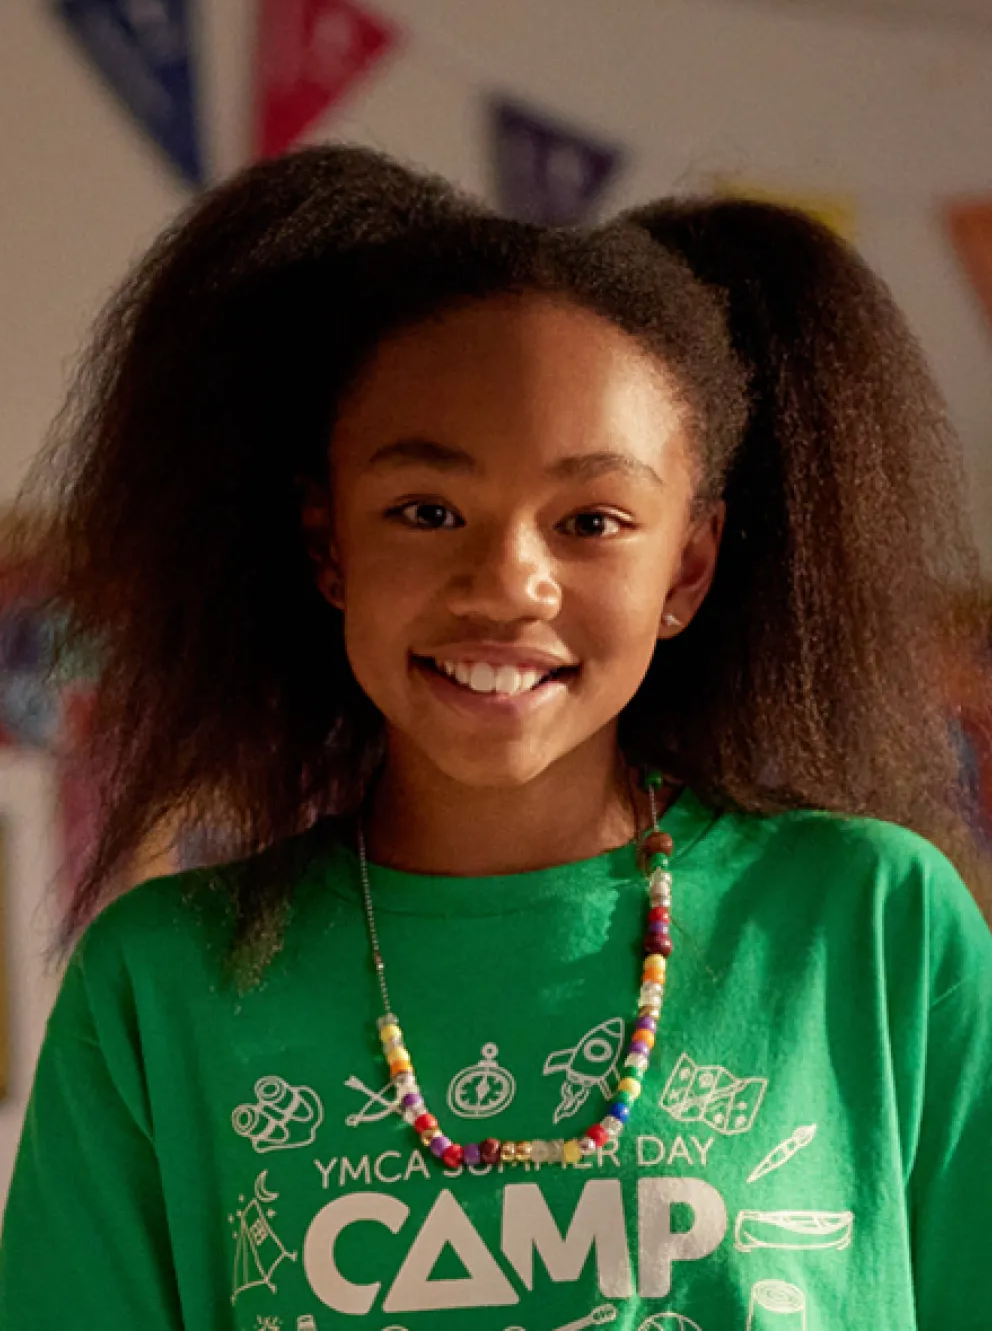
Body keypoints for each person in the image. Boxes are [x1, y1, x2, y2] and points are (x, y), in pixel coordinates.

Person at [0, 145, 989, 1331]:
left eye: (590, 520)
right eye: (426, 510)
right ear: (329, 542)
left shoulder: (868, 926)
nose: (507, 580)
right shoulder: (159, 988)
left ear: (688, 565)